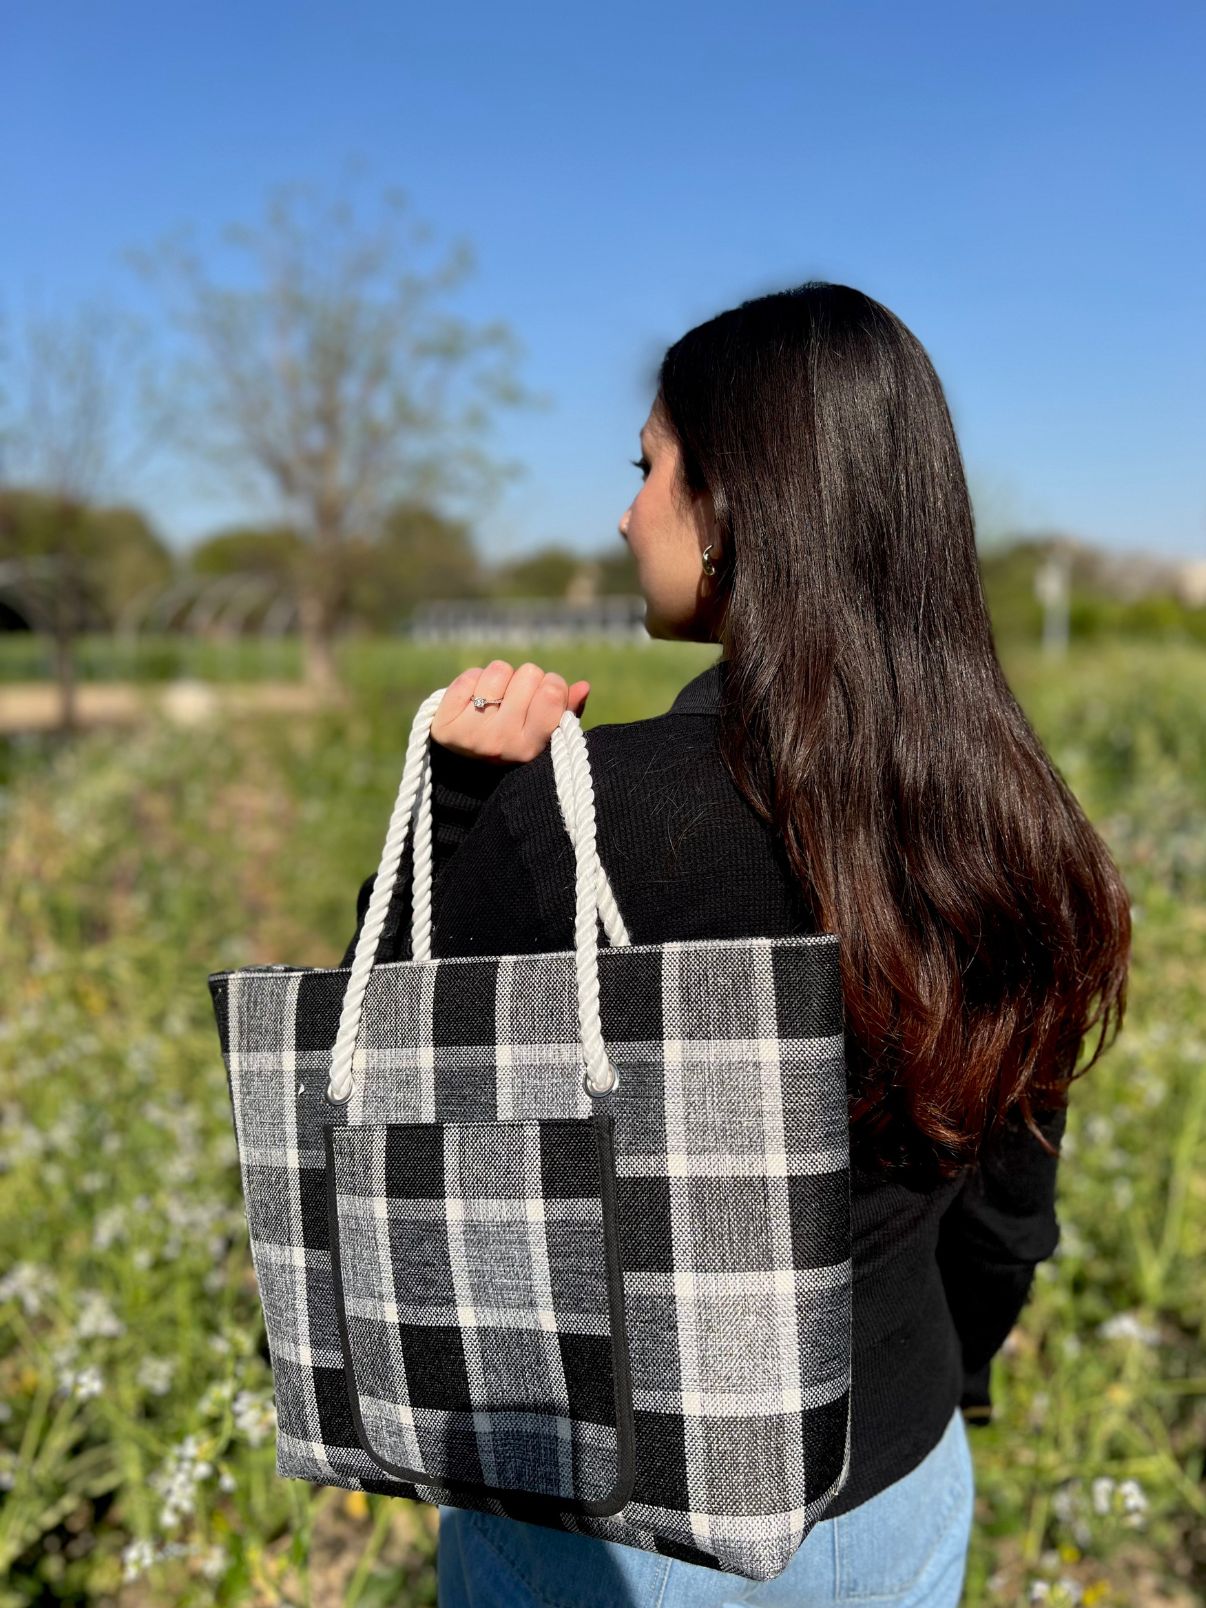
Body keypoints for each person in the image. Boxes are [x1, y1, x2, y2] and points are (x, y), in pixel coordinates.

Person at [342, 282, 1131, 1607]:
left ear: (736, 504)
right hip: (899, 1477)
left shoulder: (584, 819)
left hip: (619, 1524)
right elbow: (1005, 1208)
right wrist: (934, 1381)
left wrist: (458, 799)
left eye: (646, 467)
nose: (623, 509)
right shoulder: (1001, 817)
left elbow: (385, 1105)